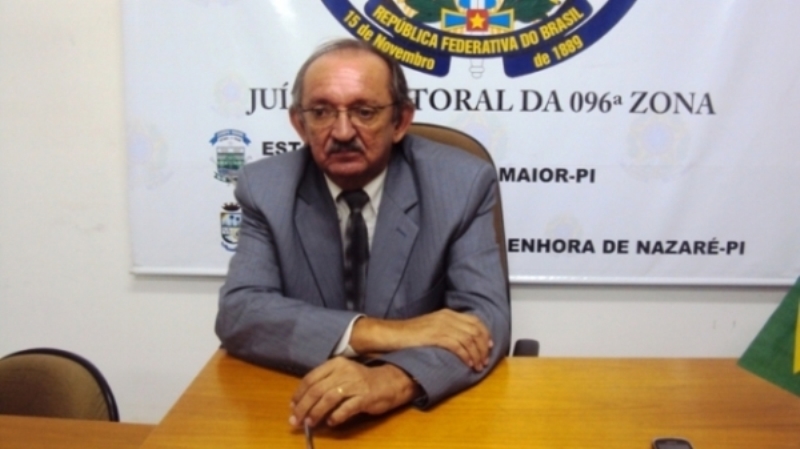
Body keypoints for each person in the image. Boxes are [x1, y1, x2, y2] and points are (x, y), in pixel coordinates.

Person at [215, 38, 510, 429]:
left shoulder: (460, 183)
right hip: (303, 403)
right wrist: (383, 333)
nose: (341, 132)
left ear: (400, 121)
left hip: (419, 417)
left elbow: (486, 322)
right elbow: (240, 313)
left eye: (364, 112)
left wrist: (394, 380)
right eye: (321, 112)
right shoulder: (265, 188)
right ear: (299, 124)